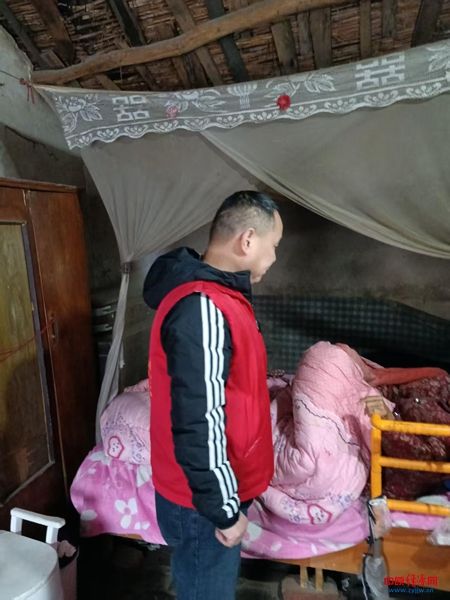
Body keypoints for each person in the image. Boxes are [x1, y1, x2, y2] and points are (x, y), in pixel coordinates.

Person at [143, 190, 283, 599]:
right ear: (248, 240)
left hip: (207, 495)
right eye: (274, 245)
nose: (274, 257)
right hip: (202, 503)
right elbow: (199, 420)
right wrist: (222, 510)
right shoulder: (203, 306)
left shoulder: (221, 298)